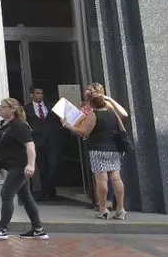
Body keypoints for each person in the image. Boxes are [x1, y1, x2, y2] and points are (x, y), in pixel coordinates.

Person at [0, 98, 49, 240]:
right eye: (0, 107)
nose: (0, 109)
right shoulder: (4, 125)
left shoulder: (19, 126)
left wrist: (30, 165)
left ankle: (2, 229)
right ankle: (38, 229)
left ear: (12, 109)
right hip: (12, 166)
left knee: (6, 194)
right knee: (25, 196)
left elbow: (30, 145)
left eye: (3, 107)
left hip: (20, 167)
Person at [62, 91, 127, 220]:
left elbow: (83, 131)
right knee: (116, 179)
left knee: (101, 180)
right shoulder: (112, 113)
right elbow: (122, 129)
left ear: (91, 103)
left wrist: (67, 125)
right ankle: (121, 209)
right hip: (113, 149)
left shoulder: (93, 114)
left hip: (98, 149)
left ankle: (103, 209)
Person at [76, 83, 129, 211]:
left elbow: (123, 114)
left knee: (107, 177)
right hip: (91, 141)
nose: (88, 92)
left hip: (105, 144)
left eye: (92, 90)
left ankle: (107, 204)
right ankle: (101, 203)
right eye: (87, 89)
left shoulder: (104, 105)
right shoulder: (84, 105)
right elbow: (80, 123)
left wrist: (109, 99)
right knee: (102, 177)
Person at [25, 87, 63, 201]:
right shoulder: (27, 109)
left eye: (42, 93)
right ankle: (49, 191)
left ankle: (45, 190)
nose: (40, 95)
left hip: (52, 141)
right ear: (31, 95)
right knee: (42, 167)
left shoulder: (51, 106)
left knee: (53, 165)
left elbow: (60, 119)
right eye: (37, 93)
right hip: (38, 142)